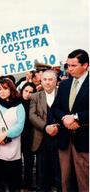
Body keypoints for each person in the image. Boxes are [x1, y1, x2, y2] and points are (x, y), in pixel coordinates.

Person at [49, 49, 89, 192]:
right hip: (65, 140)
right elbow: (55, 108)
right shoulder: (65, 84)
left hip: (85, 140)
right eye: (68, 65)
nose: (69, 69)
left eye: (73, 65)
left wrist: (76, 117)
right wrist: (65, 119)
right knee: (65, 180)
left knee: (85, 180)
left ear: (85, 65)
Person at [0, 78, 25, 191]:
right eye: (0, 89)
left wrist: (6, 134)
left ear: (11, 90)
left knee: (13, 182)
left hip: (11, 147)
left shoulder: (19, 105)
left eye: (5, 89)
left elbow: (20, 126)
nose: (2, 91)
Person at [29, 70, 61, 192]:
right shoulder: (35, 96)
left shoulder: (62, 94)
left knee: (60, 171)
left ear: (56, 81)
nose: (47, 82)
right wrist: (45, 127)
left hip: (60, 139)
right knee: (42, 172)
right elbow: (32, 116)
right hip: (41, 139)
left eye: (50, 79)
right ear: (41, 81)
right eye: (45, 79)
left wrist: (57, 126)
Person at [20, 82, 37, 191]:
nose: (28, 94)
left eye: (31, 92)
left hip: (30, 137)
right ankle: (17, 184)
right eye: (26, 91)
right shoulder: (16, 103)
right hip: (17, 137)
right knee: (16, 162)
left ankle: (28, 185)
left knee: (29, 162)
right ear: (22, 91)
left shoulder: (35, 104)